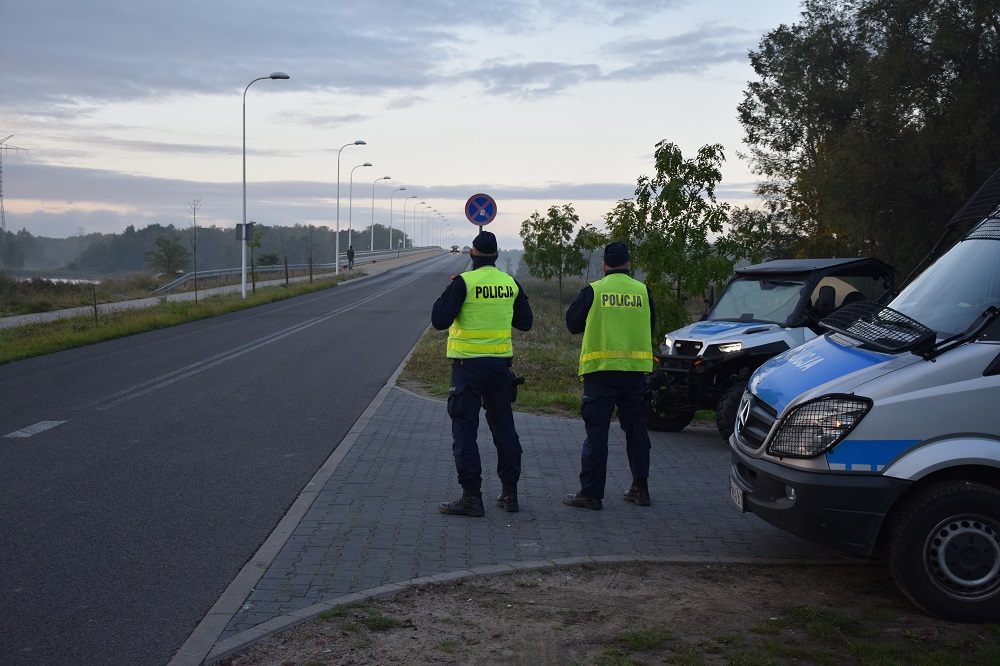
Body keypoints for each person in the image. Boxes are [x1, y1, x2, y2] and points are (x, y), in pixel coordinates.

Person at [431, 230, 533, 516]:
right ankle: (510, 494)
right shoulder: (510, 283)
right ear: (497, 255)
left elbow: (439, 320)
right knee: (504, 431)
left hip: (468, 368)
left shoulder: (464, 283)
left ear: (472, 254)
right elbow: (526, 322)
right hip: (500, 368)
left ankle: (472, 498)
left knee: (465, 431)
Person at [563, 242, 655, 510]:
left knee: (597, 433)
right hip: (634, 373)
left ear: (604, 265)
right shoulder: (643, 291)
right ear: (629, 265)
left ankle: (591, 494)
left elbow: (572, 324)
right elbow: (651, 325)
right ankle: (641, 489)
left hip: (600, 373)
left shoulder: (594, 290)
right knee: (636, 429)